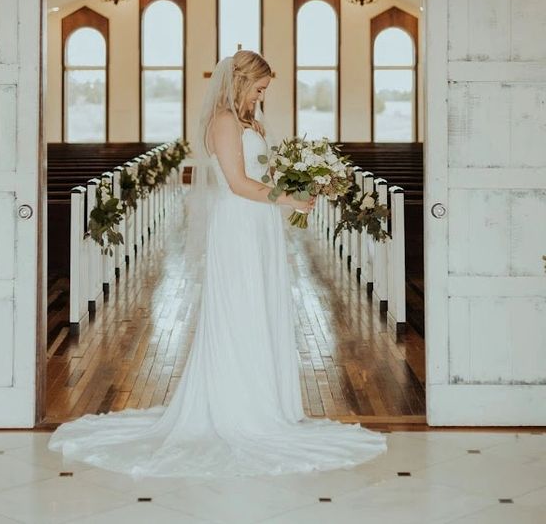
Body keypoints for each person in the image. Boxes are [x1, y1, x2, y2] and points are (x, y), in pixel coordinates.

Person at [48, 50, 387, 478]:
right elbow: (238, 183)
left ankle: (269, 403)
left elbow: (260, 175)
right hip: (238, 226)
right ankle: (238, 409)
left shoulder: (250, 123)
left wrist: (295, 180)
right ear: (241, 82)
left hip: (259, 224)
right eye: (259, 88)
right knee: (240, 310)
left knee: (261, 308)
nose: (262, 96)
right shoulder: (224, 122)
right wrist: (290, 198)